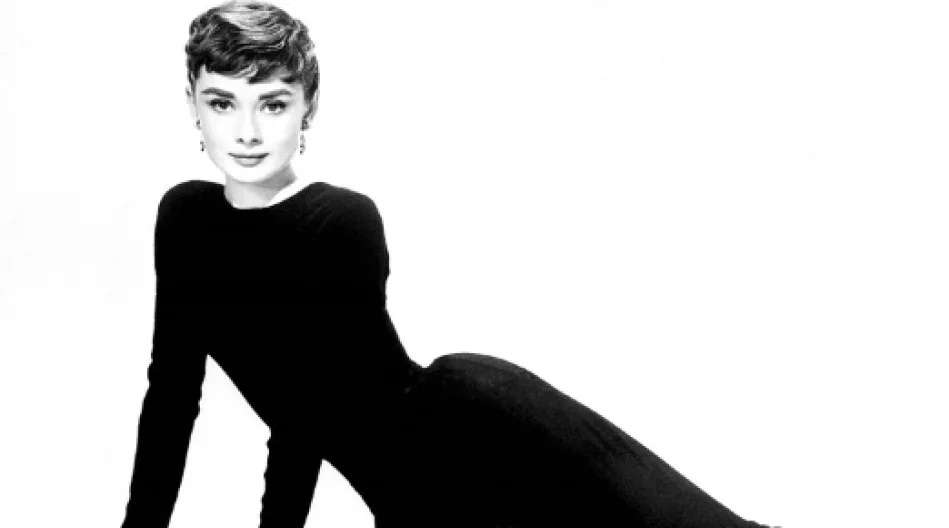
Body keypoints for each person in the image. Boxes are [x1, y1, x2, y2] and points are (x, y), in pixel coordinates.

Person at [120, 2, 776, 527]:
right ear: (193, 105)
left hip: (474, 433)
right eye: (223, 102)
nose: (247, 133)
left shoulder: (340, 220)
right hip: (412, 495)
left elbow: (304, 413)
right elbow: (172, 396)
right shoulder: (184, 218)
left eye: (272, 103)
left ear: (307, 108)